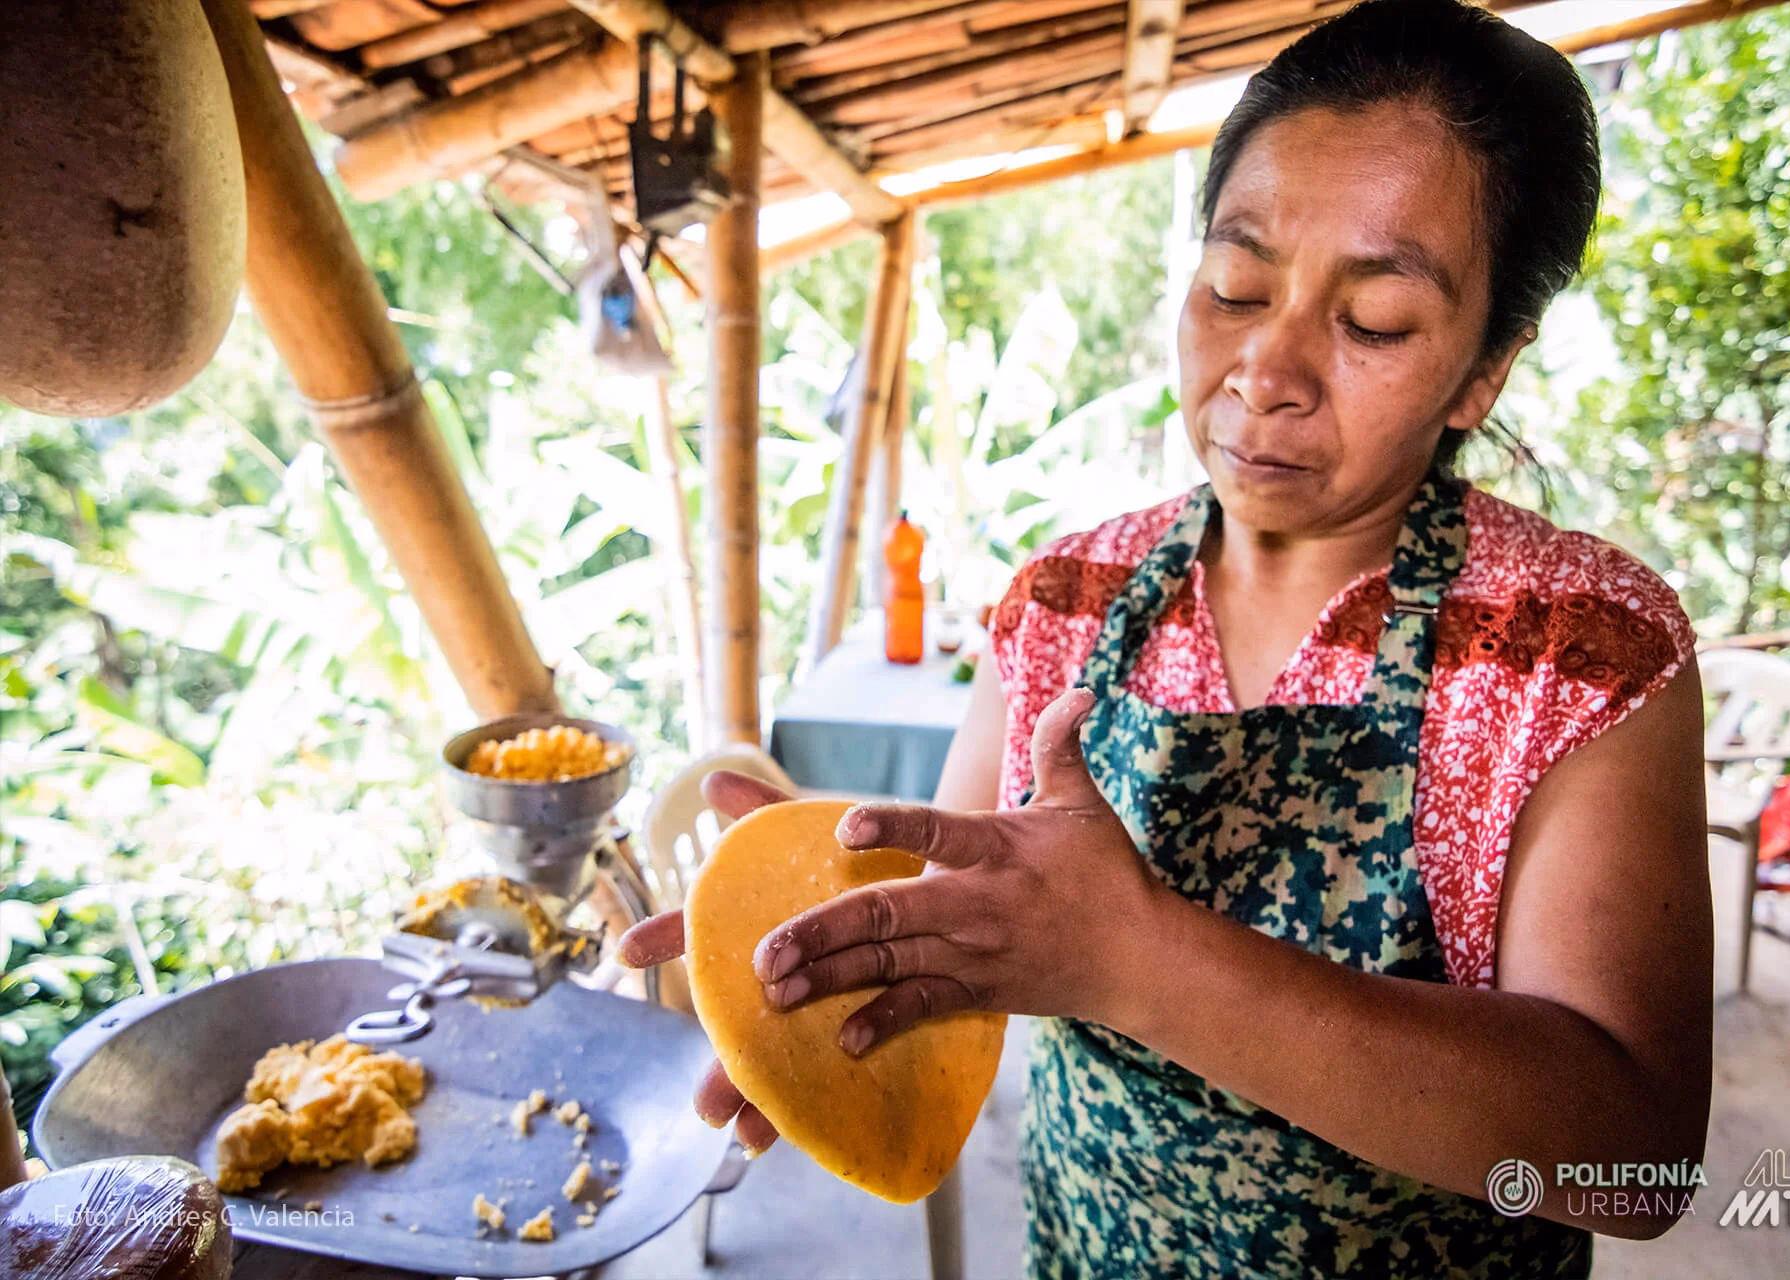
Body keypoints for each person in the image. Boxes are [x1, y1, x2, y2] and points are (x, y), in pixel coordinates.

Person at [623, 0, 1712, 1274]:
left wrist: (1138, 959)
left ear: (1481, 371)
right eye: (1236, 284)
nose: (1266, 368)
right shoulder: (1067, 602)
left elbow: (1628, 1159)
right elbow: (957, 902)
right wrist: (829, 940)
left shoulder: (1573, 651)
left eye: (1372, 322)